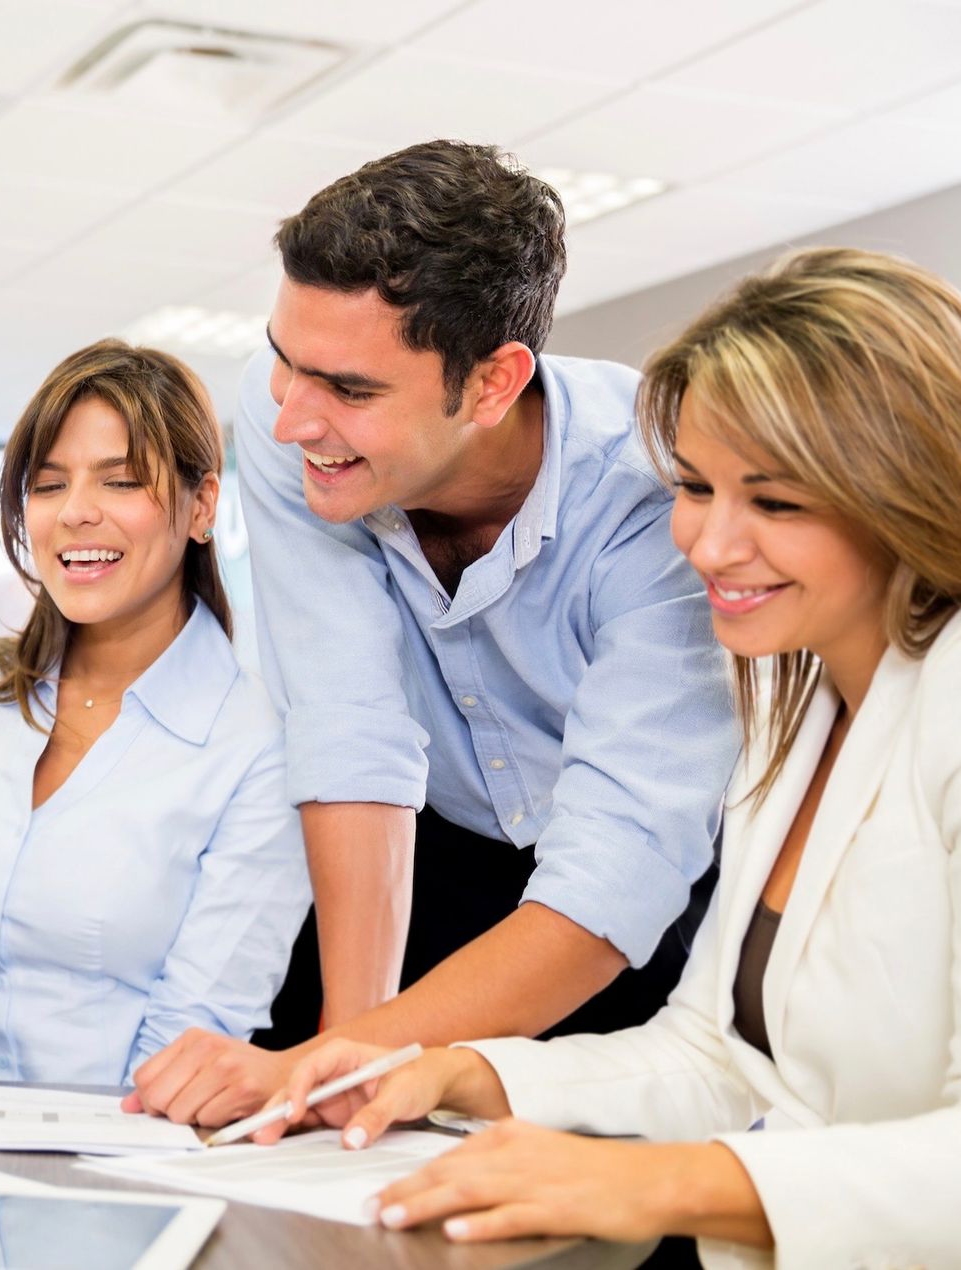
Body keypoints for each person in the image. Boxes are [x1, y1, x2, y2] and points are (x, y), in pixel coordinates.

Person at [262, 247, 961, 1269]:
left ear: (903, 487)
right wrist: (463, 1071)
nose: (708, 544)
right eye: (695, 487)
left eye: (773, 503)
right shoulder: (803, 706)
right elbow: (711, 1055)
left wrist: (643, 1181)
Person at [128, 140, 737, 1126]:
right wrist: (335, 1068)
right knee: (319, 1120)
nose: (293, 423)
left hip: (617, 896)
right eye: (288, 363)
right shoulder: (292, 418)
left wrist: (335, 1061)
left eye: (351, 390)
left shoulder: (653, 490)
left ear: (494, 383)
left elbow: (616, 868)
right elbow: (349, 722)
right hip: (425, 846)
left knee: (597, 1177)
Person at [0, 340, 309, 1085]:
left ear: (203, 506)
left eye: (120, 482)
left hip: (128, 1168)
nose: (76, 513)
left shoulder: (256, 746)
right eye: (49, 486)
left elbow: (195, 1034)